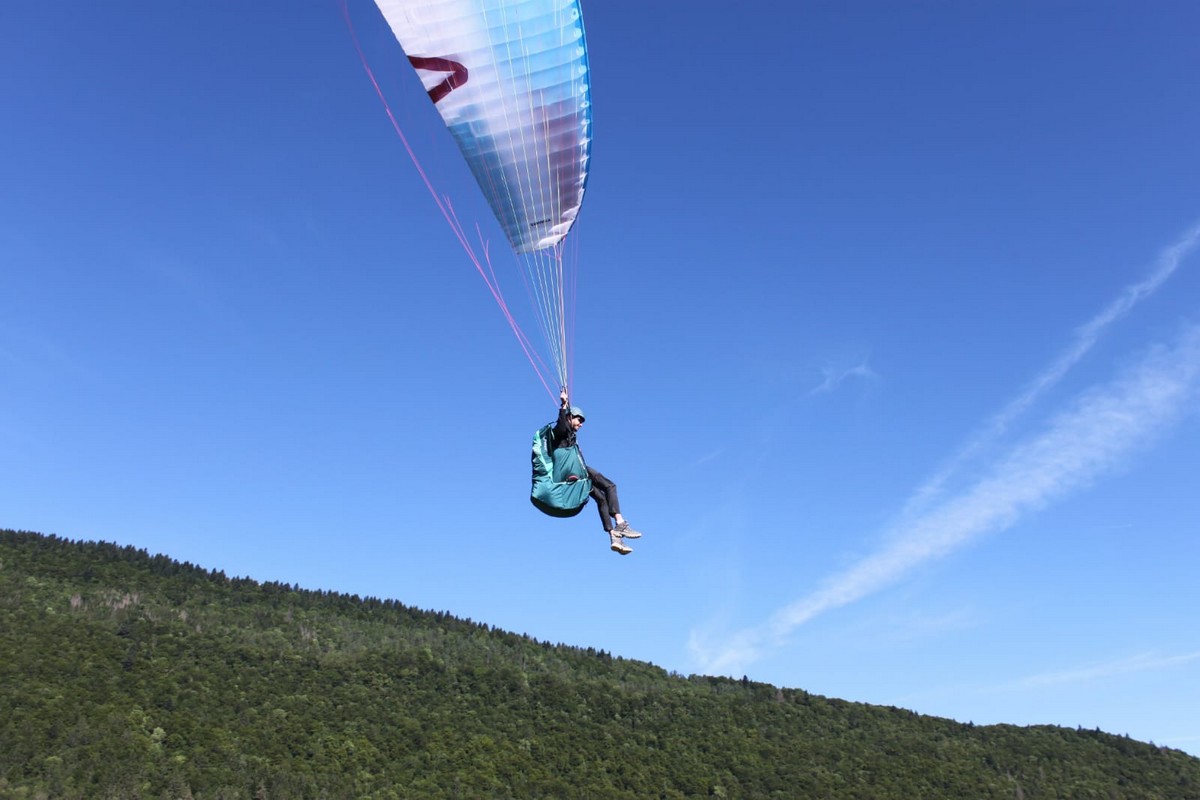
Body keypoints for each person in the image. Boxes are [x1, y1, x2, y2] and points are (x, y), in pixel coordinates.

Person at [550, 389, 643, 555]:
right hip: (575, 470)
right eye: (579, 420)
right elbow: (561, 426)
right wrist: (563, 406)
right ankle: (620, 522)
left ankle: (614, 536)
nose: (581, 424)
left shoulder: (570, 436)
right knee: (610, 486)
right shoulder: (560, 432)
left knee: (601, 499)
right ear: (570, 418)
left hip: (576, 474)